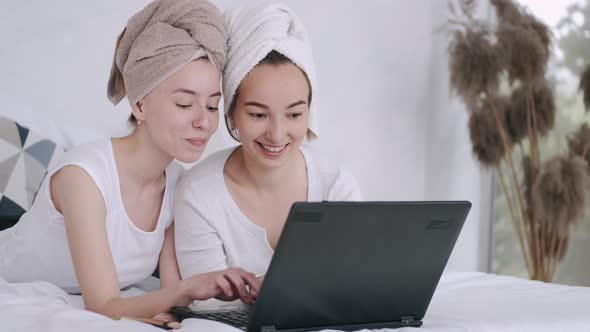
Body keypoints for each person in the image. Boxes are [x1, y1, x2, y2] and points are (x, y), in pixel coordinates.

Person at [0, 0, 258, 320]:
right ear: (140, 106)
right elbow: (104, 306)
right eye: (184, 104)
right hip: (13, 286)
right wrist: (186, 289)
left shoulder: (177, 183)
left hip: (95, 299)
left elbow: (172, 291)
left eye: (211, 106)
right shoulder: (84, 178)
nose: (203, 122)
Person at [175, 2, 362, 283]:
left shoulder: (335, 184)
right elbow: (207, 303)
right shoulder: (199, 194)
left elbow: (356, 278)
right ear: (232, 113)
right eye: (258, 114)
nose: (276, 134)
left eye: (294, 114)